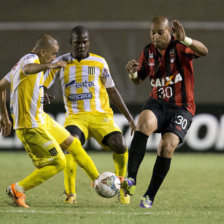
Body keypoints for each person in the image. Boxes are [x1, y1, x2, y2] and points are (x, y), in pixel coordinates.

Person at [0, 34, 100, 208]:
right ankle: (18, 189)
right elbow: (29, 69)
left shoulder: (21, 63)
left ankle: (98, 181)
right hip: (30, 125)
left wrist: (5, 116)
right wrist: (50, 65)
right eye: (53, 54)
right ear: (43, 52)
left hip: (41, 117)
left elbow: (1, 86)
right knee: (59, 162)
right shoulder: (30, 60)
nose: (55, 57)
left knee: (73, 144)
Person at [44, 26, 136, 205]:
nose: (81, 45)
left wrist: (130, 119)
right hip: (76, 117)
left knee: (120, 144)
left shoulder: (100, 62)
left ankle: (122, 187)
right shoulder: (61, 63)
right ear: (71, 42)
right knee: (71, 144)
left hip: (101, 117)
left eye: (84, 42)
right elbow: (42, 84)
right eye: (77, 42)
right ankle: (70, 194)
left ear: (89, 43)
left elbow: (112, 90)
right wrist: (41, 92)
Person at [123, 17, 208, 208]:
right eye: (152, 32)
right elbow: (139, 79)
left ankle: (149, 197)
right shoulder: (148, 51)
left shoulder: (180, 46)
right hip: (158, 103)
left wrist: (186, 39)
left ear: (169, 31)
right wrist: (133, 73)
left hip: (182, 107)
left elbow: (204, 51)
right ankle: (131, 179)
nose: (155, 36)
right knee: (143, 123)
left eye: (159, 32)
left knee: (166, 146)